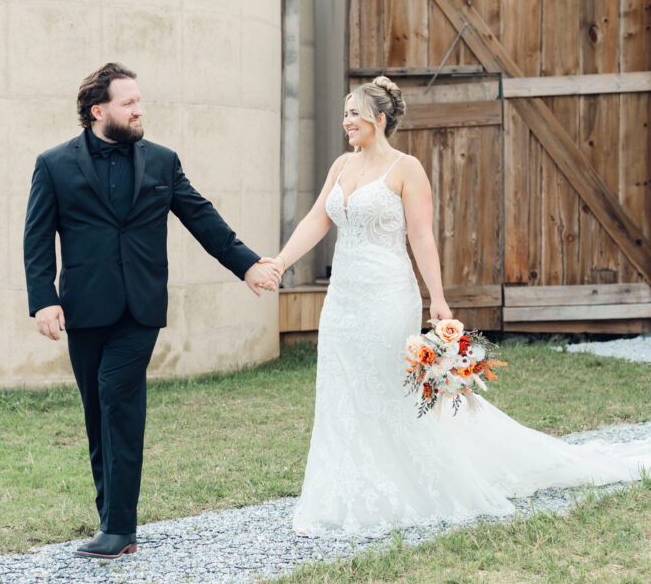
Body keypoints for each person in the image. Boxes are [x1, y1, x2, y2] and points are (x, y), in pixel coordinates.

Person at [267, 76, 651, 537]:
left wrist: (439, 299)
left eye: (354, 112)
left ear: (380, 119)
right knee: (342, 393)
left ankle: (416, 485)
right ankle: (347, 491)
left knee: (395, 390)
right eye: (345, 112)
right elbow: (316, 219)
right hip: (343, 301)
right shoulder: (341, 167)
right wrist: (281, 262)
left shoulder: (407, 169)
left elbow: (422, 236)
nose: (346, 120)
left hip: (388, 296)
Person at [24, 62, 279, 559]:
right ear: (98, 110)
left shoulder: (162, 161)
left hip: (141, 307)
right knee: (97, 410)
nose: (139, 110)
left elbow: (201, 216)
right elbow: (36, 238)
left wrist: (246, 265)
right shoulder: (53, 164)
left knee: (117, 398)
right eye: (128, 102)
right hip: (84, 307)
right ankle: (110, 516)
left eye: (139, 101)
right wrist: (44, 299)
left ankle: (119, 528)